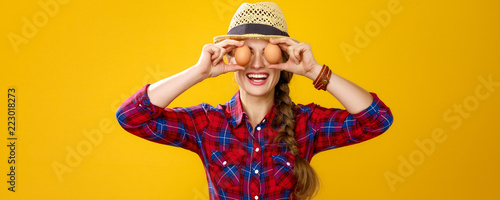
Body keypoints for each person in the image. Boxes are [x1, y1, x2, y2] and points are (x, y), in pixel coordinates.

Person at [116, 2, 393, 200]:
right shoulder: (208, 124)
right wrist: (199, 72)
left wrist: (315, 72)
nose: (257, 64)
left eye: (268, 52)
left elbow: (378, 119)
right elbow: (131, 116)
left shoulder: (306, 124)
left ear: (283, 61)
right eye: (247, 52)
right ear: (231, 59)